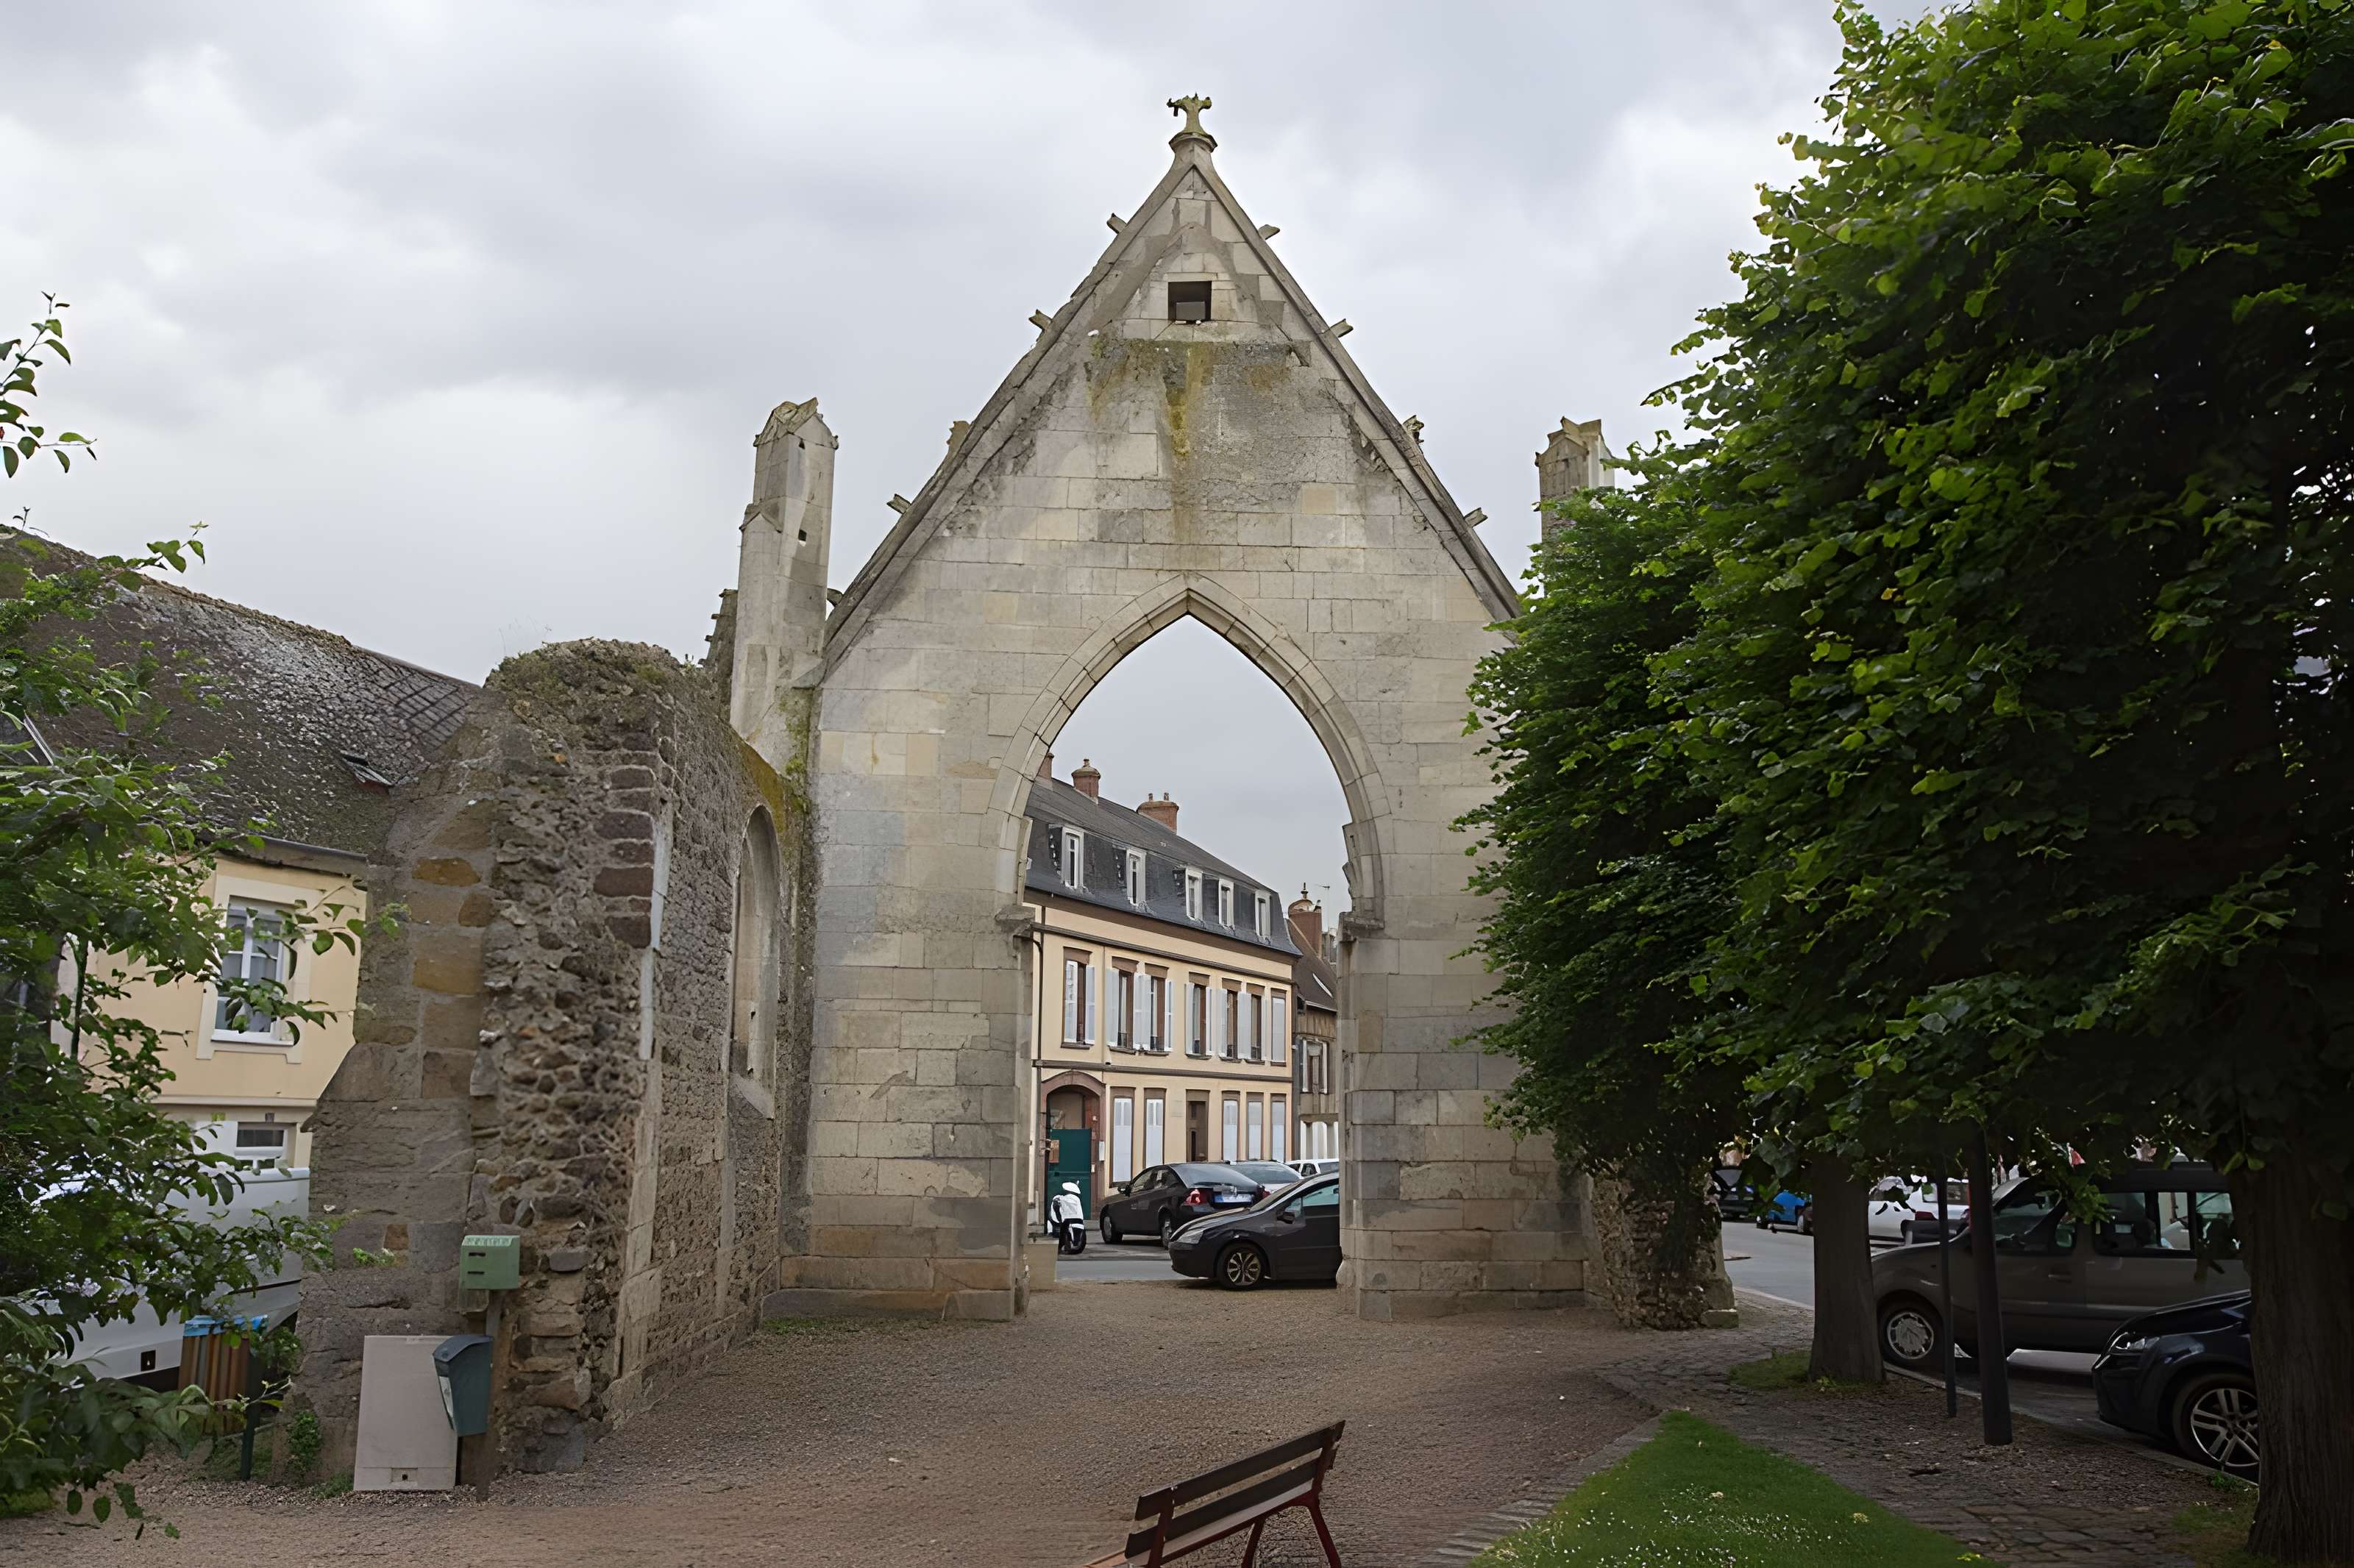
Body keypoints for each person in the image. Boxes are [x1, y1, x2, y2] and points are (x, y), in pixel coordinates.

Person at [1049, 1181, 1085, 1252]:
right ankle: (1068, 1246)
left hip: (1068, 1220)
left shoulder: (1063, 1198)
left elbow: (1057, 1208)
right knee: (1078, 1234)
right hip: (1079, 1221)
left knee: (1064, 1232)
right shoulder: (1077, 1199)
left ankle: (1061, 1247)